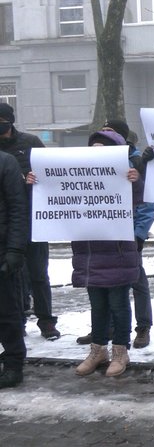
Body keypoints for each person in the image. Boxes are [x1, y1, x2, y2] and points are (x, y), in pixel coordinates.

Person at [63, 130, 143, 377]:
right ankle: (98, 350)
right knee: (97, 305)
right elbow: (56, 197)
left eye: (104, 148)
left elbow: (141, 199)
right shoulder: (77, 175)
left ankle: (120, 351)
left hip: (118, 252)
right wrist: (37, 182)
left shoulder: (126, 176)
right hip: (89, 253)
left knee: (119, 306)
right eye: (93, 147)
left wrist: (135, 181)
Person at [74, 119, 154, 349]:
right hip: (100, 236)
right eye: (102, 132)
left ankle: (143, 327)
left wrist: (138, 234)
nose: (104, 135)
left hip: (127, 236)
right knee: (103, 286)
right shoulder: (86, 163)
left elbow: (147, 202)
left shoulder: (135, 163)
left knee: (136, 282)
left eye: (110, 132)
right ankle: (103, 330)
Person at [0, 103, 59, 341]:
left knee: (38, 273)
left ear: (10, 121)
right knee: (13, 276)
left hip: (35, 219)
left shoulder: (30, 142)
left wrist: (37, 178)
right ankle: (18, 319)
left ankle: (46, 320)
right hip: (9, 223)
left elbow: (52, 173)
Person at [0, 146, 28, 388]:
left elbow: (18, 209)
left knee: (7, 314)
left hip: (1, 252)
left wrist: (14, 250)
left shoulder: (5, 163)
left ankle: (13, 364)